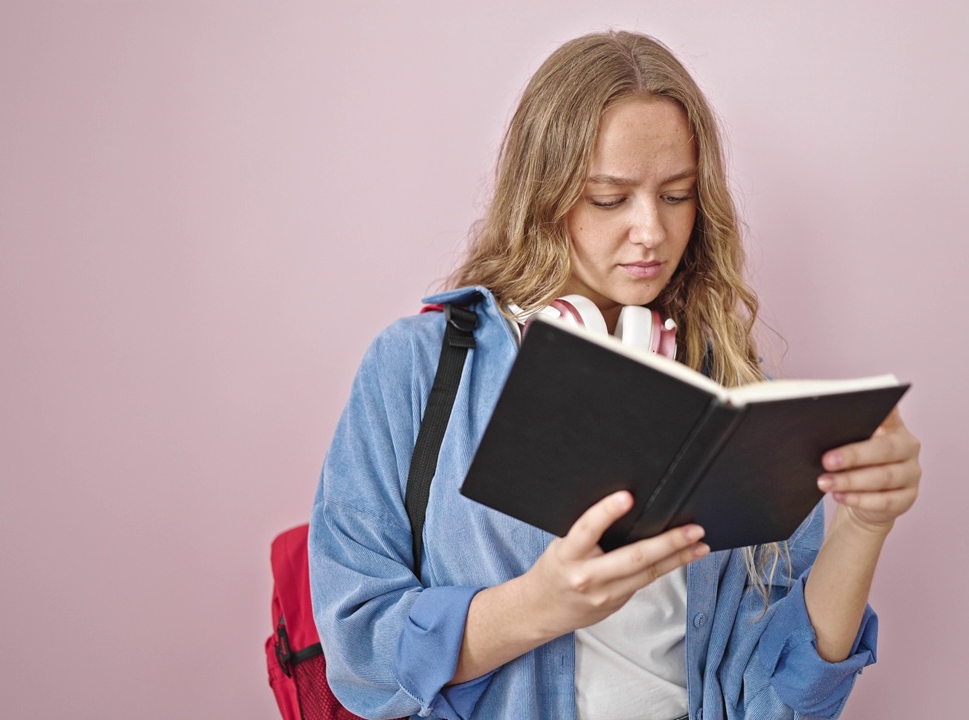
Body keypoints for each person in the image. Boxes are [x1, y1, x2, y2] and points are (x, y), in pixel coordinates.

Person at [309, 30, 922, 720]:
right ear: (544, 198)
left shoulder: (730, 388)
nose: (651, 232)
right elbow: (358, 657)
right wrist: (535, 609)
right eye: (608, 198)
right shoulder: (417, 368)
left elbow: (786, 699)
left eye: (677, 195)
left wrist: (864, 525)